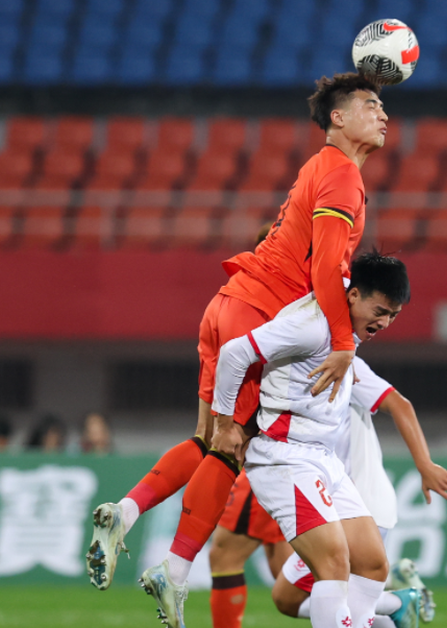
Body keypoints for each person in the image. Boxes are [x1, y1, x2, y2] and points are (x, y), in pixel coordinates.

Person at [87, 72, 388, 595]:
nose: (383, 114)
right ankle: (177, 571)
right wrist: (342, 344)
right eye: (369, 104)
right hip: (260, 316)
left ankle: (127, 509)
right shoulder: (342, 175)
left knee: (208, 438)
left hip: (229, 301)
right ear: (336, 118)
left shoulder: (320, 167)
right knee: (232, 446)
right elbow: (322, 274)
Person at [140, 252, 416, 628]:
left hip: (324, 460)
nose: (384, 323)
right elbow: (235, 353)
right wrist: (223, 422)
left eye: (393, 316)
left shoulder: (345, 330)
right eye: (380, 310)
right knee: (331, 563)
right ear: (353, 295)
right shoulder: (312, 325)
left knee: (372, 564)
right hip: (286, 460)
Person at [209, 356, 447, 628]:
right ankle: (397, 600)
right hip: (322, 494)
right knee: (288, 597)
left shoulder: (342, 362)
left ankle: (397, 601)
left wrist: (425, 464)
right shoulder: (299, 362)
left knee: (332, 592)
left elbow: (399, 403)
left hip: (353, 502)